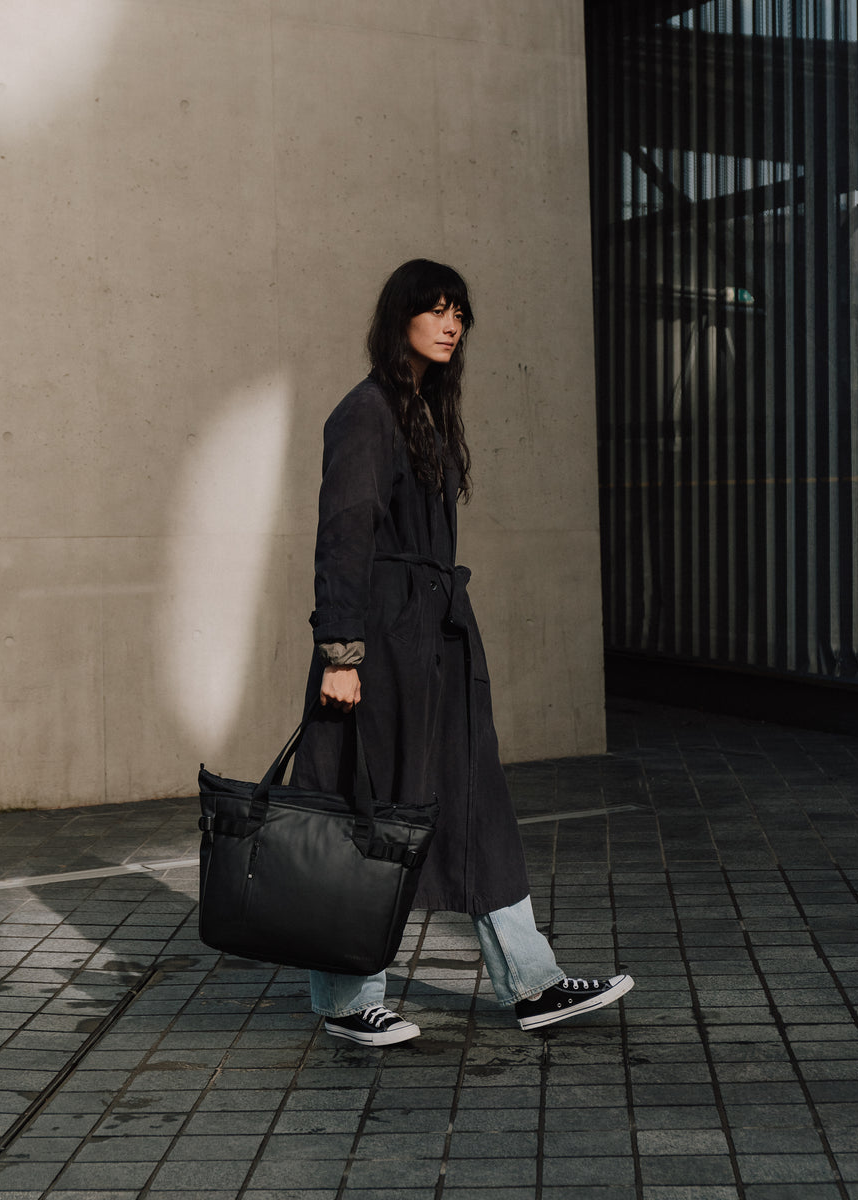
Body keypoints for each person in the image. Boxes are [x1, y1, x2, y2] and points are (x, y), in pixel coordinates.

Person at [291, 259, 634, 1046]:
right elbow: (341, 538)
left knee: (477, 806)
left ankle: (534, 984)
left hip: (438, 645)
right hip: (378, 648)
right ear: (399, 317)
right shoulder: (366, 412)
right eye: (437, 310)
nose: (452, 324)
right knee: (369, 814)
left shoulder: (426, 412)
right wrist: (342, 653)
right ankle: (346, 995)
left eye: (459, 313)